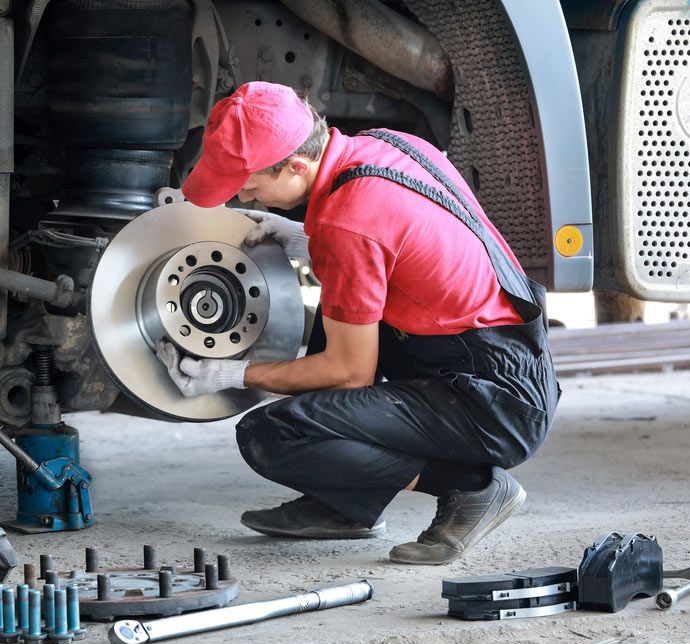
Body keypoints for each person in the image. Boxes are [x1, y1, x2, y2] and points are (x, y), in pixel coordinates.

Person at [155, 81, 560, 565]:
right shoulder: (386, 145)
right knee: (338, 307)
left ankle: (473, 488)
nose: (247, 195)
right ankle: (346, 505)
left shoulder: (349, 221)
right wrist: (310, 240)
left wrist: (229, 374)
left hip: (492, 401)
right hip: (500, 351)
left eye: (251, 185)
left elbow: (350, 373)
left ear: (297, 167)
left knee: (271, 435)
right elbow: (415, 240)